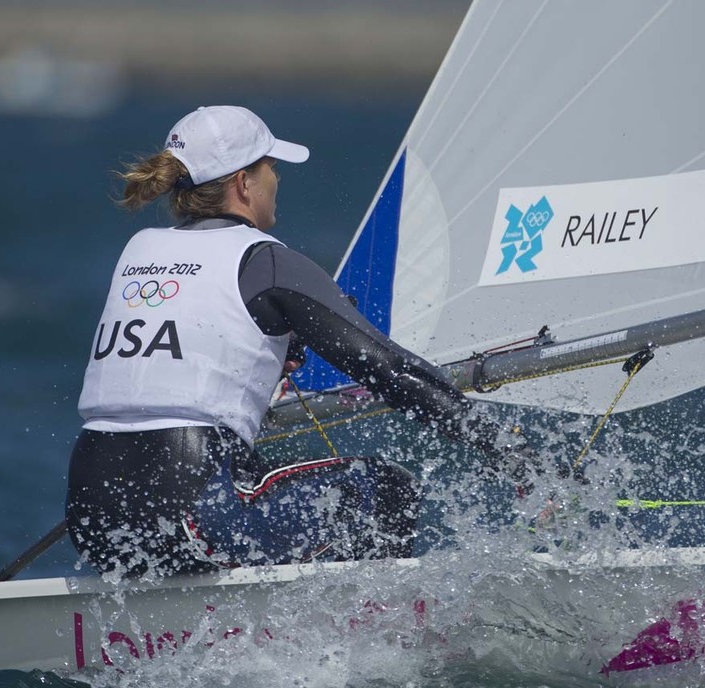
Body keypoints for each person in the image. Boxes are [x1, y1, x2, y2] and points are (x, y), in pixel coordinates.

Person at [66, 105, 528, 578]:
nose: (276, 180)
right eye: (271, 168)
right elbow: (391, 371)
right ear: (243, 183)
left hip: (93, 516)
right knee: (384, 486)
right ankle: (374, 638)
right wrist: (507, 452)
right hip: (194, 510)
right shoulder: (266, 261)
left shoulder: (139, 251)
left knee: (259, 473)